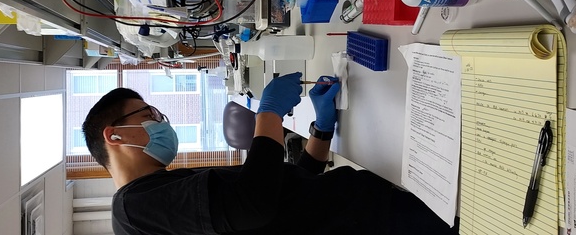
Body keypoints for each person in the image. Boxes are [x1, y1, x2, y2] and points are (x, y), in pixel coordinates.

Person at [82, 72, 459, 234]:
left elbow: (282, 191)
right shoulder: (132, 210)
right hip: (374, 223)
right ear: (114, 136)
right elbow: (253, 203)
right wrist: (269, 114)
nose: (161, 122)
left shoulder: (152, 193)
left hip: (362, 210)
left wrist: (321, 129)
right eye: (149, 115)